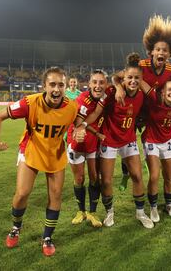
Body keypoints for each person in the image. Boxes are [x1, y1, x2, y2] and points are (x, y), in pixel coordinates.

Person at [0, 67, 78, 256]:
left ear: (65, 87)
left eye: (61, 85)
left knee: (55, 196)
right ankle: (16, 228)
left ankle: (47, 237)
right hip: (31, 150)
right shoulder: (30, 103)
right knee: (22, 193)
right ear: (44, 86)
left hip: (55, 153)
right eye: (52, 84)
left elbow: (79, 121)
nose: (57, 89)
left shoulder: (72, 106)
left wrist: (82, 128)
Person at [75, 53, 154, 229]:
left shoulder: (142, 94)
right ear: (123, 77)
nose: (133, 81)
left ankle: (140, 212)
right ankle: (110, 212)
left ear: (141, 79)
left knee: (137, 176)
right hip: (109, 141)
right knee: (107, 181)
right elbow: (95, 113)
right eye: (129, 78)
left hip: (128, 140)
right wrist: (82, 125)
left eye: (136, 78)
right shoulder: (111, 91)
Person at [116, 14, 171, 191]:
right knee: (127, 144)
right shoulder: (141, 65)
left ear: (170, 53)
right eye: (158, 49)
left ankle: (164, 178)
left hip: (154, 114)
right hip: (135, 110)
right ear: (151, 51)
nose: (161, 52)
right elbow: (118, 77)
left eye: (165, 50)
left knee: (152, 147)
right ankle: (125, 172)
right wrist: (118, 87)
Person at [139, 79, 171, 222]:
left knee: (169, 175)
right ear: (163, 92)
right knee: (154, 175)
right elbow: (141, 82)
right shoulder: (155, 100)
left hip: (168, 141)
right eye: (170, 90)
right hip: (151, 140)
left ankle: (168, 204)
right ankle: (153, 207)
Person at [66, 70, 108, 228]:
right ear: (89, 84)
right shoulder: (83, 98)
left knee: (94, 177)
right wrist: (80, 131)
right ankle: (81, 211)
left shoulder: (106, 98)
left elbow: (97, 114)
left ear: (106, 84)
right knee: (79, 178)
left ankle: (93, 212)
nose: (98, 86)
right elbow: (78, 121)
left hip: (93, 142)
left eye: (101, 82)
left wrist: (96, 133)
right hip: (77, 140)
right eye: (94, 82)